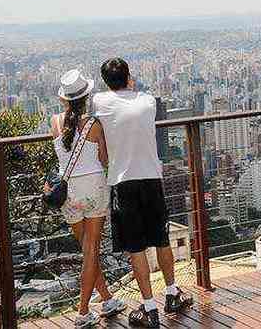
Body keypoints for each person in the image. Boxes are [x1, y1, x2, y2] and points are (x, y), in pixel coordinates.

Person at [93, 58, 193, 328]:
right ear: (129, 77)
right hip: (151, 179)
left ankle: (150, 309)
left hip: (123, 183)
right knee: (161, 240)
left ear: (106, 82)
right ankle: (172, 293)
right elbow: (136, 96)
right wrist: (131, 86)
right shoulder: (148, 101)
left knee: (136, 248)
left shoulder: (100, 103)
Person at [48, 69, 126, 328]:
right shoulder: (94, 124)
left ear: (63, 100)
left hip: (68, 194)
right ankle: (82, 312)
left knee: (87, 250)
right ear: (87, 96)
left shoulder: (55, 123)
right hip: (93, 189)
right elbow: (104, 160)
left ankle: (107, 299)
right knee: (92, 251)